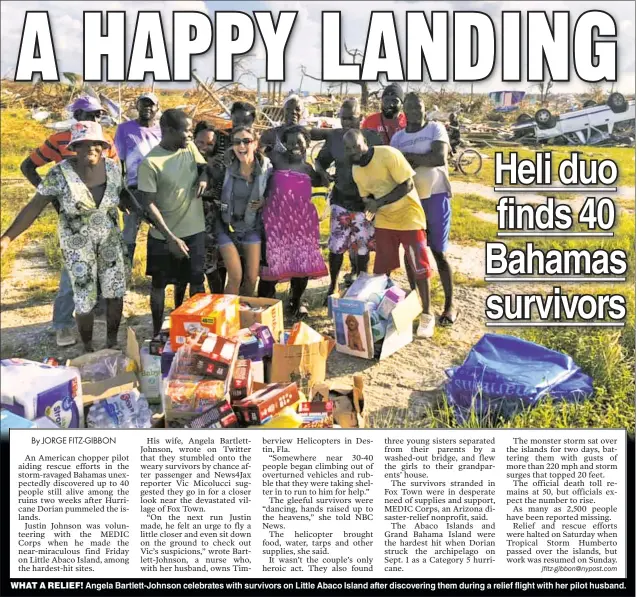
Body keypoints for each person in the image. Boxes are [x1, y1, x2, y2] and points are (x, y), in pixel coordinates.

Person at [2, 121, 128, 352]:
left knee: (115, 292)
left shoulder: (112, 168)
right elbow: (34, 207)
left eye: (96, 144)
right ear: (75, 147)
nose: (91, 148)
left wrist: (137, 209)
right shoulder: (59, 174)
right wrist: (8, 238)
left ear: (102, 146)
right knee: (84, 299)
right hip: (77, 245)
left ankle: (112, 341)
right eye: (84, 144)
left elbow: (122, 194)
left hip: (110, 241)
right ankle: (88, 347)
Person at [344, 128, 435, 338]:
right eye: (348, 149)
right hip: (385, 220)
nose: (353, 151)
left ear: (364, 141)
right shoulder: (356, 170)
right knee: (382, 272)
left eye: (356, 146)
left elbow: (407, 184)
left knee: (419, 267)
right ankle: (382, 315)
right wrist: (366, 207)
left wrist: (379, 203)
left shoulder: (388, 154)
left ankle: (427, 315)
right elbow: (368, 199)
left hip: (409, 217)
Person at [136, 109, 209, 337]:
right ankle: (157, 332)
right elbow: (147, 204)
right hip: (163, 238)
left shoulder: (189, 148)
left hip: (195, 231)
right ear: (168, 131)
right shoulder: (150, 164)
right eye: (186, 131)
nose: (190, 135)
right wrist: (170, 237)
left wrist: (204, 177)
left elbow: (204, 166)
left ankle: (197, 332)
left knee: (196, 283)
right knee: (159, 285)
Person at [391, 93, 457, 327]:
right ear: (404, 112)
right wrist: (418, 159)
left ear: (424, 108)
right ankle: (416, 300)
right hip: (410, 201)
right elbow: (393, 167)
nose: (415, 112)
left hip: (436, 197)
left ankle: (450, 305)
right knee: (411, 253)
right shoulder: (397, 138)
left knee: (438, 252)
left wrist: (409, 158)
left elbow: (438, 157)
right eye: (410, 108)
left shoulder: (435, 129)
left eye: (419, 107)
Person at [257, 95, 328, 305]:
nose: (296, 146)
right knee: (271, 267)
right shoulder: (274, 160)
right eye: (291, 143)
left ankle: (295, 301)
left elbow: (322, 183)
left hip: (302, 225)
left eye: (300, 142)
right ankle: (264, 304)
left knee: (301, 267)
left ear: (307, 143)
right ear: (284, 144)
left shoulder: (309, 169)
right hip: (276, 222)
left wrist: (324, 172)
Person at [314, 99, 381, 301]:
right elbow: (320, 161)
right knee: (336, 248)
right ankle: (332, 287)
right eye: (342, 118)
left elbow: (381, 165)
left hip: (364, 204)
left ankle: (360, 288)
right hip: (341, 201)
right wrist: (322, 173)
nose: (345, 122)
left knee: (362, 249)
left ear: (360, 117)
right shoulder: (334, 137)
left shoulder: (372, 137)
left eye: (350, 118)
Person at [216, 126, 272, 296]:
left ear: (255, 144)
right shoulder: (225, 167)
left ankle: (242, 316)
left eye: (246, 141)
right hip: (226, 227)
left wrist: (265, 200)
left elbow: (276, 191)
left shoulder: (266, 169)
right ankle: (226, 317)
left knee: (251, 278)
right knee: (235, 276)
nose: (241, 145)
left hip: (251, 226)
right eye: (236, 142)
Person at [114, 92, 162, 264]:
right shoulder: (124, 129)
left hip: (158, 189)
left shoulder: (162, 131)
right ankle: (123, 276)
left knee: (159, 232)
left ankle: (157, 277)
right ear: (137, 106)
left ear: (157, 108)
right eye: (143, 104)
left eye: (151, 104)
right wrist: (120, 192)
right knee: (128, 235)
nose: (147, 108)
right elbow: (118, 162)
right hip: (132, 189)